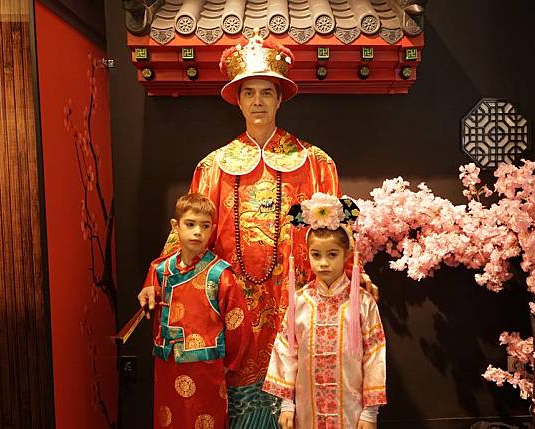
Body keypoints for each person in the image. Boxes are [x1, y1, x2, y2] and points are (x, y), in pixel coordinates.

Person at [139, 32, 378, 427]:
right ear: (238, 100)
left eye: (266, 92)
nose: (258, 102)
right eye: (249, 93)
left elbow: (339, 236)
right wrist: (154, 278)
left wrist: (356, 276)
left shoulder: (314, 162)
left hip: (298, 296)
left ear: (280, 98)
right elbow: (186, 235)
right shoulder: (214, 166)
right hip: (231, 302)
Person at [263, 193, 387, 429]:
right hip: (307, 407)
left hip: (351, 410)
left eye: (332, 254)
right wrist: (287, 404)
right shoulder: (300, 301)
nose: (323, 263)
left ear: (347, 255)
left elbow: (374, 356)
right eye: (316, 255)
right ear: (307, 254)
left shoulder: (362, 302)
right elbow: (286, 352)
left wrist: (370, 412)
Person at [138, 193, 250, 429]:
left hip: (206, 368)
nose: (197, 232)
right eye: (190, 224)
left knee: (205, 420)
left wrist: (227, 365)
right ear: (175, 226)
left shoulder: (220, 275)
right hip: (167, 363)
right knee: (168, 420)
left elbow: (237, 324)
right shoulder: (161, 269)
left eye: (205, 226)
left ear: (213, 229)